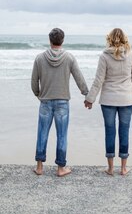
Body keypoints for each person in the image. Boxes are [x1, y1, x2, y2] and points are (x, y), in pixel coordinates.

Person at [31, 28, 89, 177]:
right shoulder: (69, 58)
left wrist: (39, 94)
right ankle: (60, 168)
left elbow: (33, 82)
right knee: (62, 135)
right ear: (62, 40)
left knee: (42, 133)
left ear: (50, 40)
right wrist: (86, 94)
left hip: (45, 101)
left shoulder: (39, 58)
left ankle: (39, 167)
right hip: (63, 102)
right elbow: (79, 77)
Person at [84, 28, 132, 176]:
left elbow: (99, 80)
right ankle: (123, 168)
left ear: (109, 38)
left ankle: (110, 168)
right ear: (125, 39)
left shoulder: (104, 56)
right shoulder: (131, 55)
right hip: (127, 99)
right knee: (124, 131)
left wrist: (90, 99)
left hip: (108, 99)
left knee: (110, 131)